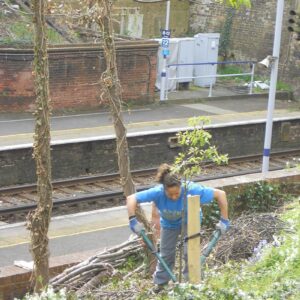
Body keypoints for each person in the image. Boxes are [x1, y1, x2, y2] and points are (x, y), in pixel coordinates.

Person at [126, 163, 230, 291]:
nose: (175, 197)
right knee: (166, 254)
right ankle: (161, 284)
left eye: (177, 193)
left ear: (181, 187)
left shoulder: (191, 189)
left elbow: (221, 194)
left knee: (190, 252)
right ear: (164, 190)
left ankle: (192, 283)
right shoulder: (157, 193)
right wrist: (132, 220)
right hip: (169, 224)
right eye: (171, 195)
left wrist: (224, 220)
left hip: (190, 220)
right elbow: (131, 199)